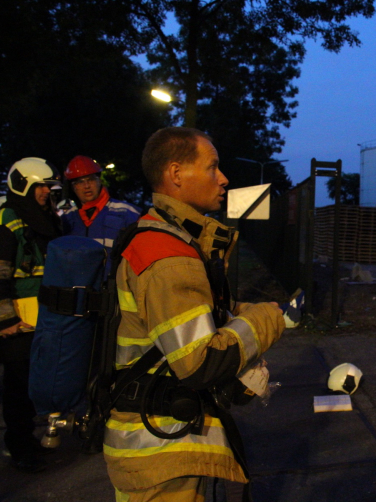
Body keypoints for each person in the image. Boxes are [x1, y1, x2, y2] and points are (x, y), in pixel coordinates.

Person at [103, 127, 286, 501]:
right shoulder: (167, 255)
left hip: (158, 448)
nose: (224, 179)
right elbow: (201, 361)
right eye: (212, 167)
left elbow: (198, 315)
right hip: (160, 454)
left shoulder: (163, 239)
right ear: (175, 174)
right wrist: (268, 320)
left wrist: (242, 311)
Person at [0, 159, 63, 472]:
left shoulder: (41, 217)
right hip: (16, 324)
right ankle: (19, 446)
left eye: (46, 187)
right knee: (17, 387)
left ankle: (26, 442)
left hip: (38, 319)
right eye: (39, 186)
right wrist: (6, 321)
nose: (44, 192)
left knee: (31, 386)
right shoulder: (6, 218)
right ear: (22, 184)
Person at [62, 155, 140, 254]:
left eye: (91, 179)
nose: (86, 186)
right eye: (80, 182)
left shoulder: (127, 213)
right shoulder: (67, 218)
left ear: (99, 180)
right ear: (73, 187)